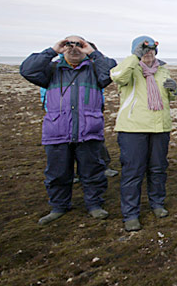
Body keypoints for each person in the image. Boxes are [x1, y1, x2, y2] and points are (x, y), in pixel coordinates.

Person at [20, 36, 116, 225]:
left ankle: (95, 205)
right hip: (57, 130)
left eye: (79, 45)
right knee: (57, 173)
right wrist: (53, 50)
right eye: (68, 45)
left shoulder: (95, 70)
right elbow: (27, 69)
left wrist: (92, 52)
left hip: (88, 130)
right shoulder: (51, 70)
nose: (74, 48)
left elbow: (113, 71)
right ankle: (58, 206)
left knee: (93, 171)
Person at [111, 36, 177, 231]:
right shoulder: (130, 69)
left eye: (151, 50)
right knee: (133, 172)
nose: (149, 53)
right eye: (144, 50)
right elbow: (117, 76)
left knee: (158, 168)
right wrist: (135, 56)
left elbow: (170, 98)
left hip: (160, 128)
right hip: (133, 129)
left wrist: (173, 91)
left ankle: (157, 204)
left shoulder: (163, 70)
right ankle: (131, 214)